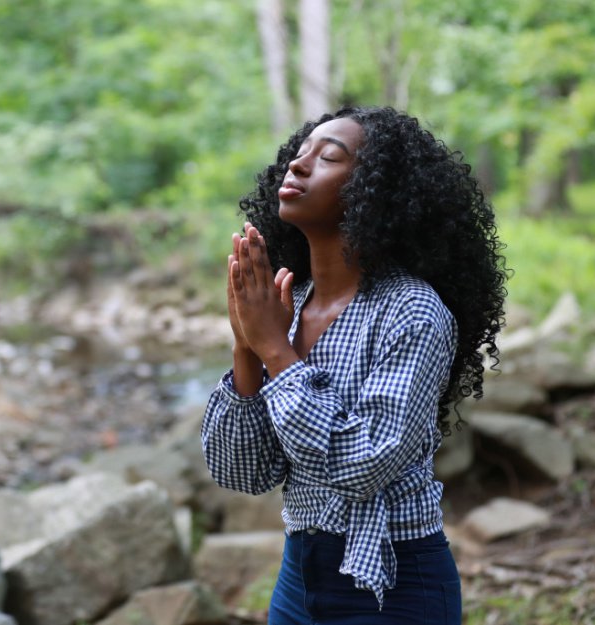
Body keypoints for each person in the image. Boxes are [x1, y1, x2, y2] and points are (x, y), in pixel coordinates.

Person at [201, 105, 506, 624]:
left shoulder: (412, 311)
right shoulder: (287, 306)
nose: (297, 167)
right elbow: (243, 472)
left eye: (329, 157)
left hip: (394, 583)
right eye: (298, 156)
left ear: (377, 191)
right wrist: (247, 346)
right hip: (298, 580)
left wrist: (277, 352)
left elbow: (362, 465)